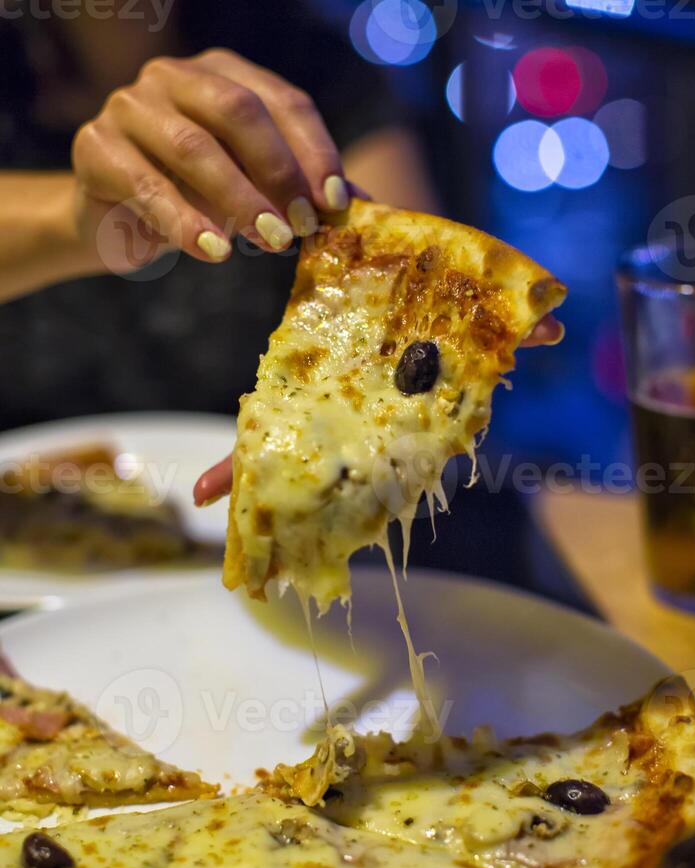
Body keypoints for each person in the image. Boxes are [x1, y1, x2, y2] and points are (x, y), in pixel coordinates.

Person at [0, 1, 561, 506]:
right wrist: (76, 217)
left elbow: (409, 307)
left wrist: (352, 428)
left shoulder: (313, 69)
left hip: (270, 544)